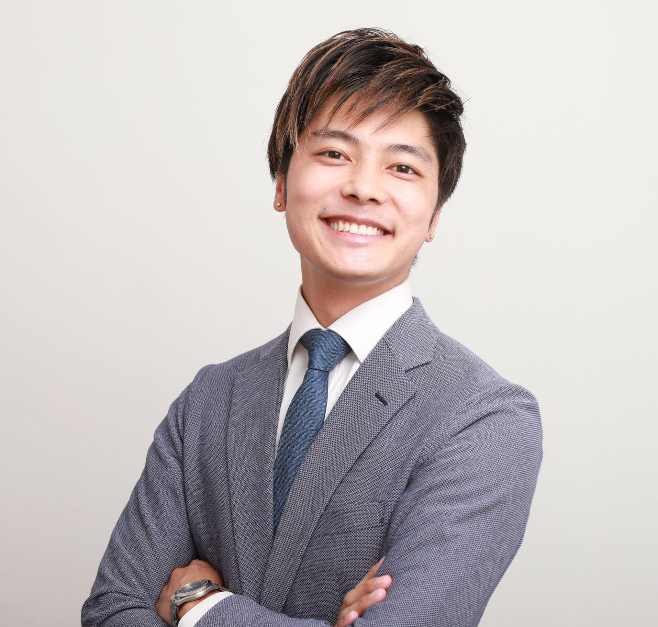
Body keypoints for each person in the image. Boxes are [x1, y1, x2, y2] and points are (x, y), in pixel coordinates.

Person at [82, 27, 543, 627]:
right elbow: (111, 610)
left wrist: (201, 606)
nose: (363, 188)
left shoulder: (484, 416)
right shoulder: (208, 400)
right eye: (333, 154)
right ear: (281, 183)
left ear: (434, 215)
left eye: (403, 167)